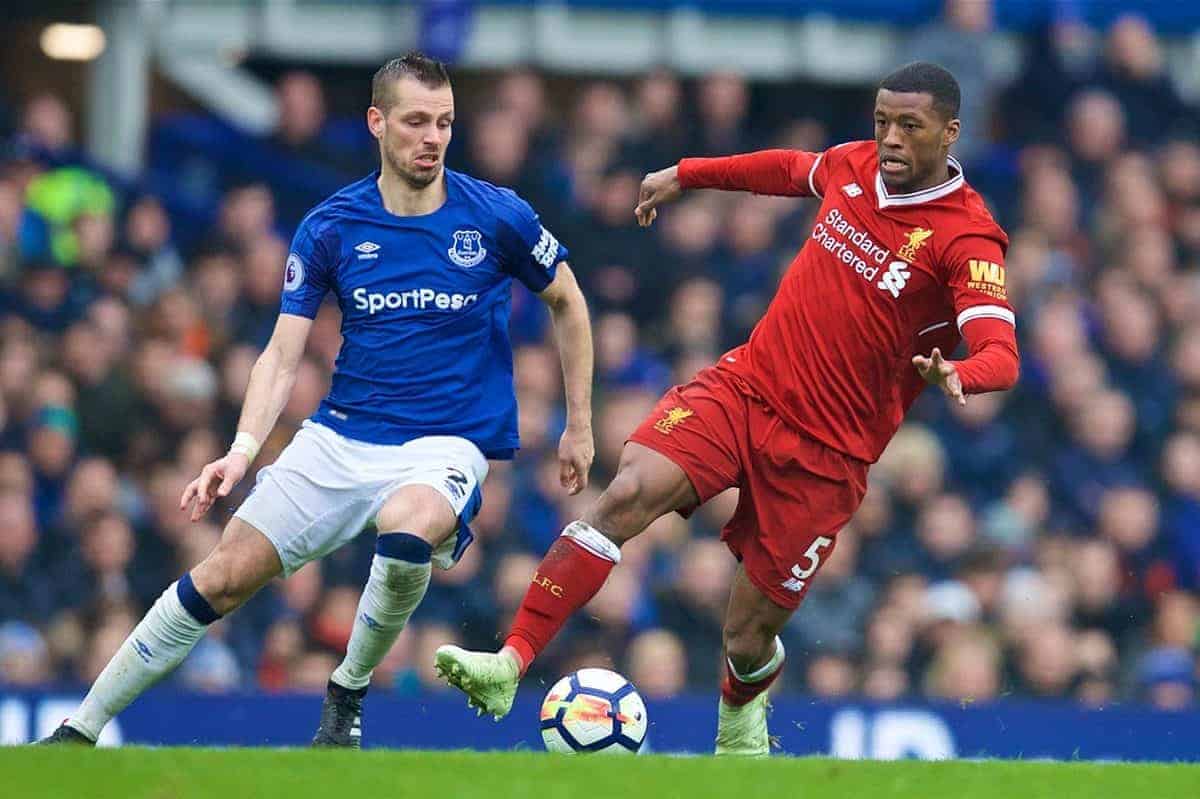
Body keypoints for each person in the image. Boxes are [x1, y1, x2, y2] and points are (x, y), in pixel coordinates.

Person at [435, 62, 1020, 756]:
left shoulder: (967, 236)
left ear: (951, 133)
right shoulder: (853, 165)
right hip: (747, 389)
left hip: (827, 454)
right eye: (882, 121)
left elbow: (1001, 352)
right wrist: (688, 172)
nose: (890, 138)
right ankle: (511, 661)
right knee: (626, 494)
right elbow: (783, 169)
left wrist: (960, 372)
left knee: (746, 632)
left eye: (910, 126)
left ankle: (744, 713)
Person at [39, 52, 594, 748]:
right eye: (417, 121)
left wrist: (579, 423)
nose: (434, 137)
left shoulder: (496, 215)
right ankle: (78, 729)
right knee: (223, 574)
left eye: (445, 123)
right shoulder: (333, 224)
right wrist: (241, 451)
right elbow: (281, 352)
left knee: (409, 524)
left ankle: (347, 691)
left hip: (446, 442)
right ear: (376, 122)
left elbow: (568, 300)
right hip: (340, 436)